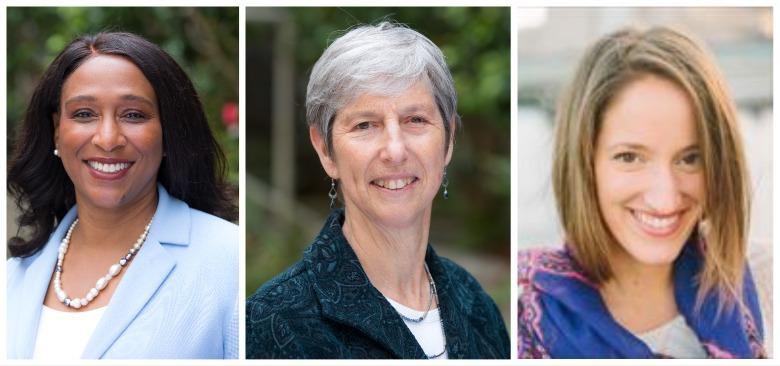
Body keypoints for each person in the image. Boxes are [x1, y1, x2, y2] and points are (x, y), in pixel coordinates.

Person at [246, 22, 509, 359]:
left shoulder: (476, 305)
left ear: (449, 139)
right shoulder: (272, 323)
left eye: (415, 120)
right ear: (326, 150)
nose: (395, 150)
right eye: (365, 125)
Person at [517, 26, 766, 358]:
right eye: (630, 157)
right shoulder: (524, 319)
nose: (665, 198)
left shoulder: (766, 280)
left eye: (690, 159)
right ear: (584, 162)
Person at [7, 32, 239, 359]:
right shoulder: (14, 276)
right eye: (84, 114)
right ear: (57, 129)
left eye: (133, 115)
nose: (107, 139)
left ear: (168, 131)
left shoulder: (228, 260)